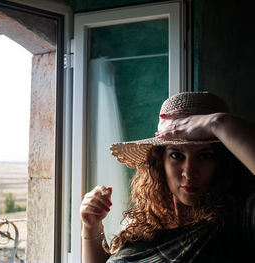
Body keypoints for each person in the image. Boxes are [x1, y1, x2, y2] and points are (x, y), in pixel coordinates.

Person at [80, 91, 255, 263]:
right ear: (160, 161)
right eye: (177, 155)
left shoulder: (236, 222)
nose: (188, 172)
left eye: (204, 156)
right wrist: (91, 226)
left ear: (222, 163)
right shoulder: (141, 222)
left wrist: (217, 123)